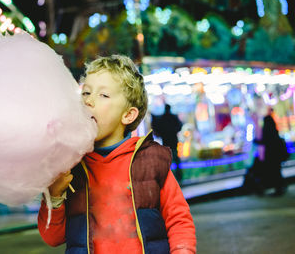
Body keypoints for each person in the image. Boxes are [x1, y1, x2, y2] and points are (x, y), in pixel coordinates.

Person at [37, 55, 196, 254]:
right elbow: (52, 238)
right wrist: (54, 196)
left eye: (103, 95)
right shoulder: (70, 167)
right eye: (86, 92)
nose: (89, 101)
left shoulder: (151, 162)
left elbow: (178, 219)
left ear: (128, 115)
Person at [253, 110, 288, 196]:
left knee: (275, 172)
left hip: (271, 156)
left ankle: (278, 188)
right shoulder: (274, 131)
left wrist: (255, 141)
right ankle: (279, 188)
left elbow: (263, 141)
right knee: (277, 172)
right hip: (277, 155)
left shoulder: (267, 132)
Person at [151, 104, 183, 183]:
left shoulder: (162, 118)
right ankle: (179, 176)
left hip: (166, 142)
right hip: (174, 140)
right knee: (176, 158)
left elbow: (157, 128)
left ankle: (169, 179)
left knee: (167, 160)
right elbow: (179, 126)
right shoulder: (173, 117)